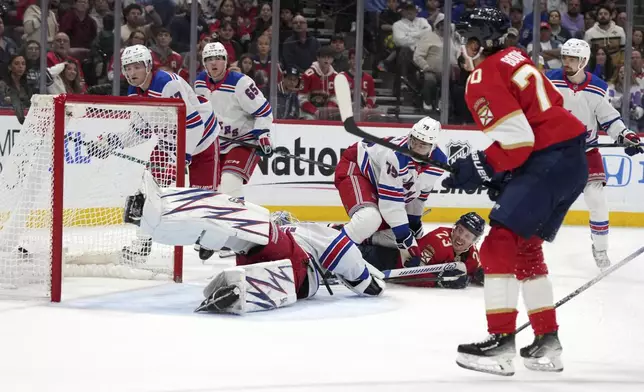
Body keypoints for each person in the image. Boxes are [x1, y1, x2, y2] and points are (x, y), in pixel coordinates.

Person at [445, 8, 589, 376]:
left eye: (466, 41)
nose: (463, 48)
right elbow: (530, 132)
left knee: (497, 244)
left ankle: (501, 342)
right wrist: (497, 172)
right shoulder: (517, 57)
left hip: (547, 160)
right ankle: (547, 342)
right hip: (571, 159)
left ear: (477, 43)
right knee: (525, 250)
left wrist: (478, 165)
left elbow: (518, 141)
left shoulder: (480, 77)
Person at [122, 172, 386, 315]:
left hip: (297, 268)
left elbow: (340, 250)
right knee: (236, 232)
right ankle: (244, 288)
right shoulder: (294, 234)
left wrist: (363, 278)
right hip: (285, 275)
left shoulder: (307, 232)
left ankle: (160, 209)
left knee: (246, 216)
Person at [85, 44, 219, 263]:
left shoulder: (166, 84)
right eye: (127, 68)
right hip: (169, 143)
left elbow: (193, 125)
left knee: (203, 196)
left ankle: (211, 237)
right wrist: (110, 142)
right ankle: (142, 243)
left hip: (202, 139)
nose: (131, 72)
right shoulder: (134, 91)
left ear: (148, 66)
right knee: (148, 191)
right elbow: (140, 130)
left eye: (137, 67)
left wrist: (183, 156)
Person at [546, 39, 643, 270]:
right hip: (553, 152)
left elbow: (609, 119)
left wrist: (625, 135)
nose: (567, 63)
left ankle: (600, 250)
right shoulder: (549, 80)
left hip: (585, 152)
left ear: (584, 61)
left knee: (597, 201)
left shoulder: (597, 87)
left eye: (572, 59)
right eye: (565, 58)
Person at [334, 116, 447, 270]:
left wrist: (413, 225)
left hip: (380, 181)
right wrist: (406, 241)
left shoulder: (439, 163)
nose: (416, 148)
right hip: (357, 168)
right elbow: (391, 204)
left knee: (398, 234)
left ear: (432, 147)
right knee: (370, 219)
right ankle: (331, 256)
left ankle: (338, 234)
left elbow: (418, 196)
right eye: (414, 141)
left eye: (423, 145)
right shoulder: (396, 156)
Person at [194, 41, 274, 258]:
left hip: (242, 142)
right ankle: (215, 236)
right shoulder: (199, 83)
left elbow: (264, 111)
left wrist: (264, 136)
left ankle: (234, 236)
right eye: (209, 59)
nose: (214, 63)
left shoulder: (241, 83)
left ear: (226, 61)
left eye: (218, 58)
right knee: (208, 192)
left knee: (229, 185)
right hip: (214, 143)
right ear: (204, 63)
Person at [357, 212, 486, 289]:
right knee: (354, 252)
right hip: (387, 259)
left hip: (395, 252)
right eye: (460, 230)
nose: (461, 237)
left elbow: (473, 271)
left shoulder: (472, 254)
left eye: (468, 236)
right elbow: (408, 273)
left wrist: (480, 275)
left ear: (473, 242)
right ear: (455, 228)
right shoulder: (438, 242)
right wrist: (440, 281)